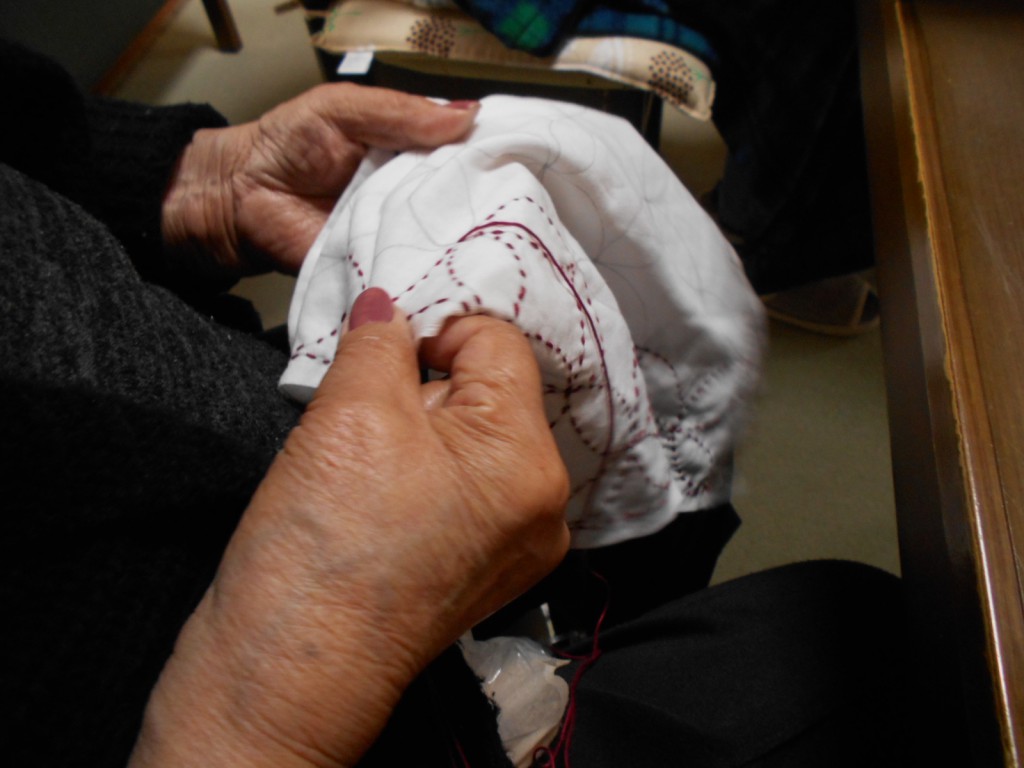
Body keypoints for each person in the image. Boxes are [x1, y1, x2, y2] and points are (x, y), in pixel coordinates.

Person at [1, 40, 911, 766]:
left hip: (230, 392)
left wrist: (191, 180)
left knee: (670, 506)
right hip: (322, 697)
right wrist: (265, 719)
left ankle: (580, 631)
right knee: (861, 655)